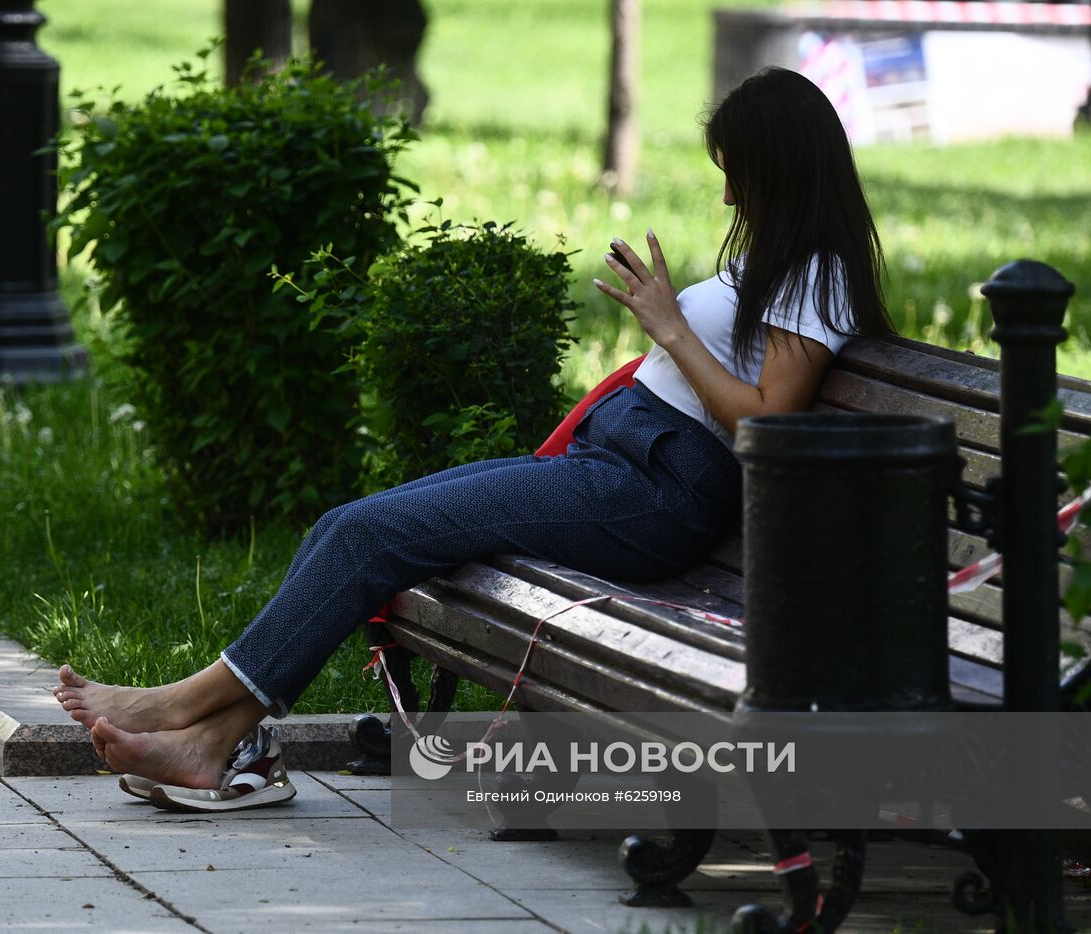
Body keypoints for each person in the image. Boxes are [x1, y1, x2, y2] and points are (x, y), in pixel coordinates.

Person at [51, 67, 895, 808]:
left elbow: (771, 426)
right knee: (349, 523)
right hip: (624, 462)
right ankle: (209, 741)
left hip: (652, 492)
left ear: (779, 169)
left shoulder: (818, 276)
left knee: (364, 532)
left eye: (738, 175)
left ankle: (178, 707)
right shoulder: (788, 264)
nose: (728, 197)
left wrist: (669, 328)